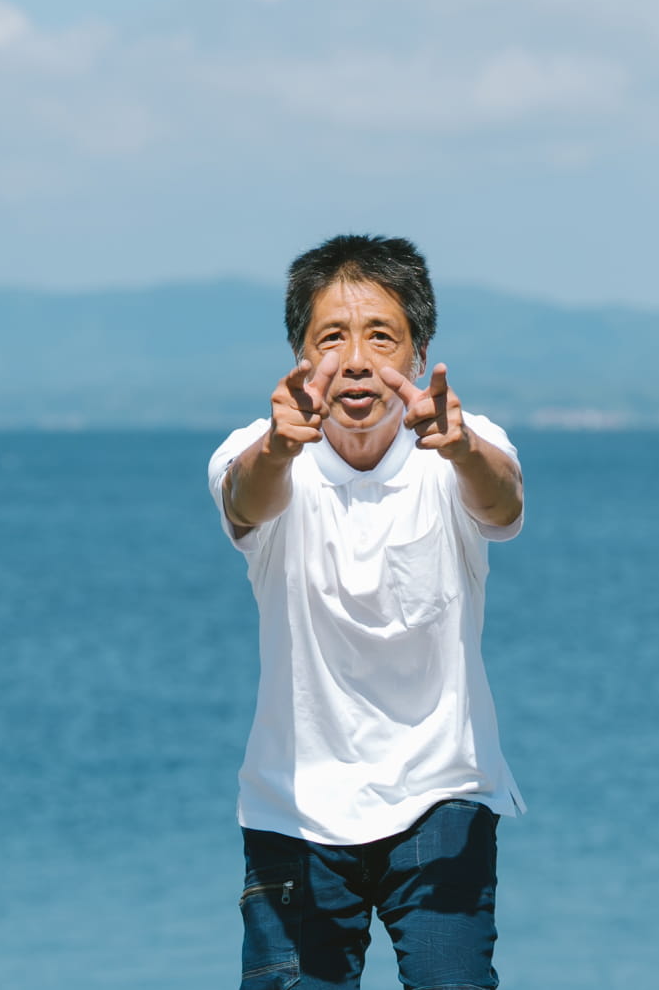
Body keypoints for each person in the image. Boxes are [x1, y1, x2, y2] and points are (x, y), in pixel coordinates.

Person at [208, 233, 525, 990]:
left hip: (441, 796)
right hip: (294, 809)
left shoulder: (461, 446)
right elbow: (244, 502)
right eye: (332, 338)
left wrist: (460, 448)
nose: (355, 360)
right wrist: (279, 449)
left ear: (418, 356)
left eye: (381, 336)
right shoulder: (259, 451)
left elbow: (504, 502)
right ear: (299, 354)